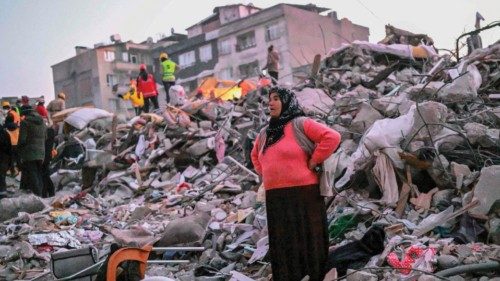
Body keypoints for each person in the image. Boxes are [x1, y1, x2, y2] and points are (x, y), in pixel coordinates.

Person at [251, 87, 341, 281]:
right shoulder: (265, 133)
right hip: (276, 197)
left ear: (287, 101)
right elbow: (255, 155)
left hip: (304, 193)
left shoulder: (299, 123)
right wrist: (266, 173)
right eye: (269, 99)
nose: (271, 103)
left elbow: (332, 137)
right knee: (283, 241)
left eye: (276, 99)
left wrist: (314, 160)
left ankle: (314, 276)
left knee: (308, 238)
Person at [18, 108, 46, 196]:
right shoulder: (43, 122)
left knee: (32, 173)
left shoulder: (25, 122)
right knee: (39, 173)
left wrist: (19, 149)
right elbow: (46, 137)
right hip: (41, 152)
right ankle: (40, 194)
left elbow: (22, 139)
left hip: (29, 152)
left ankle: (37, 196)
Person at [0, 124, 12, 197]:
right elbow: (9, 148)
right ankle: (3, 193)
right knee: (2, 176)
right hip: (5, 158)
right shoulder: (6, 133)